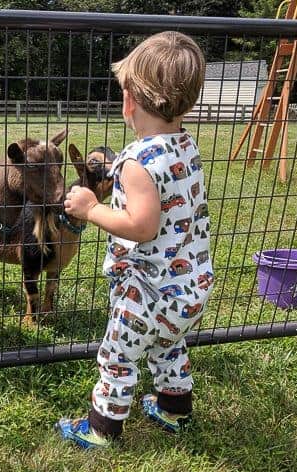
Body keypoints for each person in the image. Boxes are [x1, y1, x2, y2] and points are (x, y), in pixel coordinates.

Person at [57, 31, 214, 448]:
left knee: (117, 356)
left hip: (146, 291)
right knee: (168, 344)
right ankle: (172, 409)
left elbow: (142, 226)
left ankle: (101, 429)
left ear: (129, 100)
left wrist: (91, 209)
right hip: (190, 287)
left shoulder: (137, 161)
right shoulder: (185, 147)